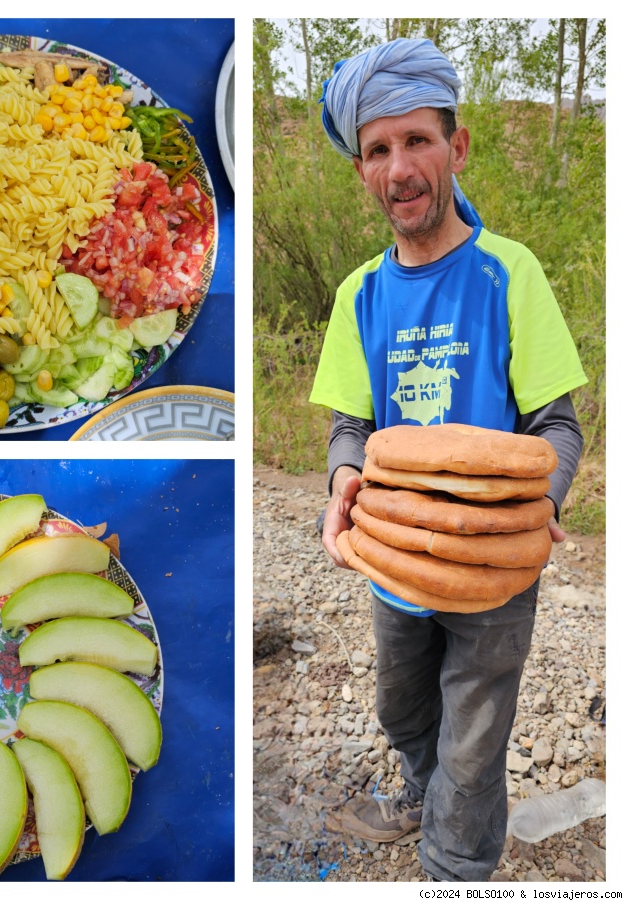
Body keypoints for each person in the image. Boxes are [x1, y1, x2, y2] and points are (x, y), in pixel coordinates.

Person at [309, 38, 587, 882]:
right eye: (379, 149)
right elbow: (351, 428)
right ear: (362, 169)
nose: (400, 167)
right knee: (403, 709)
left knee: (474, 734)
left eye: (417, 140)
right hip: (394, 563)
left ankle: (456, 860)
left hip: (494, 572)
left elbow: (558, 428)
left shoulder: (510, 273)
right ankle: (425, 797)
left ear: (456, 147)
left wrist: (537, 510)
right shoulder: (360, 293)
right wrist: (341, 483)